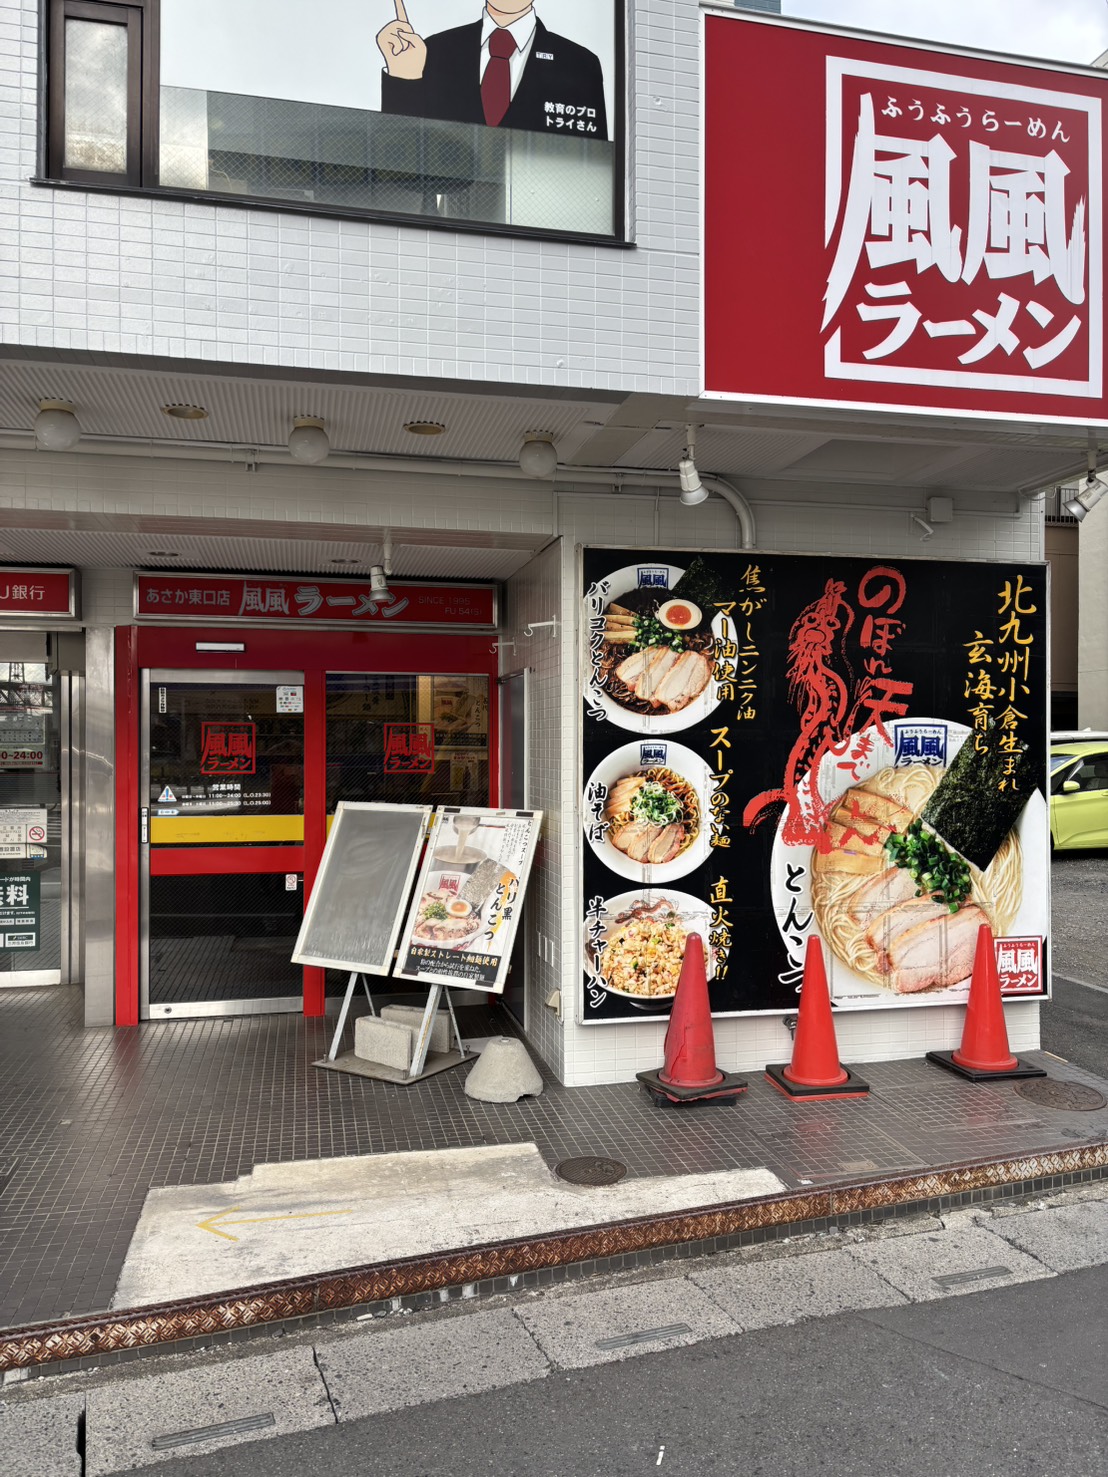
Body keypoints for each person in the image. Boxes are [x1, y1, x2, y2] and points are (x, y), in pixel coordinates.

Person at [376, 1, 608, 141]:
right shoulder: (432, 52)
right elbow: (399, 164)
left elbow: (593, 169)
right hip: (440, 219)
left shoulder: (579, 64)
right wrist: (403, 78)